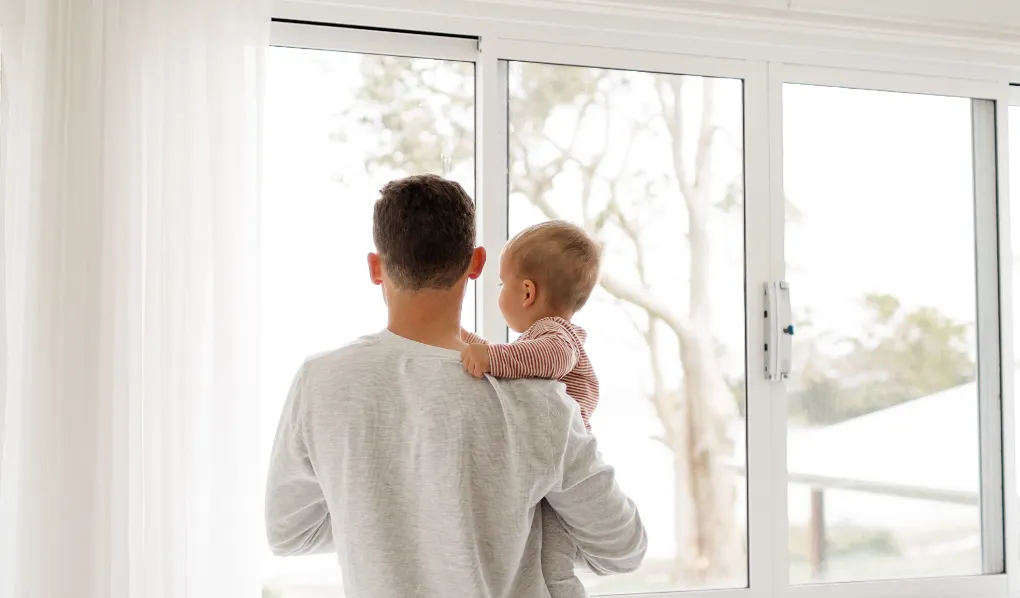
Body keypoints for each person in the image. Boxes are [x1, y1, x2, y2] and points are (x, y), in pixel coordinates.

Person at [265, 174, 647, 597]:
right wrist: (493, 526)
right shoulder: (539, 397)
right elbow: (623, 548)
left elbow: (289, 533)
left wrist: (388, 520)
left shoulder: (320, 382)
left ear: (376, 268)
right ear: (477, 263)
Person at [460, 220, 603, 598]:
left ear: (526, 292)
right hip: (545, 465)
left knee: (554, 565)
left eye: (501, 283)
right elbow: (516, 360)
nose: (499, 293)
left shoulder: (558, 336)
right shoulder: (537, 341)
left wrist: (489, 356)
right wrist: (458, 337)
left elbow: (546, 359)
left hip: (564, 467)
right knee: (537, 555)